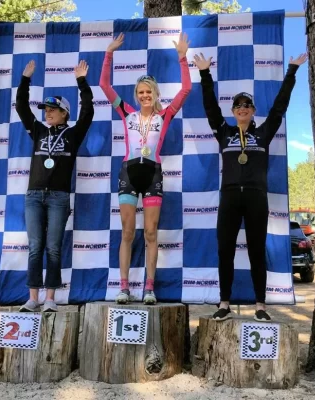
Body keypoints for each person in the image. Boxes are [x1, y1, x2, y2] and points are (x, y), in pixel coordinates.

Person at [193, 52, 308, 322]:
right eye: (238, 105)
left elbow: (279, 108)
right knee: (225, 250)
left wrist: (291, 72)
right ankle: (224, 303)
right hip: (230, 197)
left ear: (253, 111)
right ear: (233, 112)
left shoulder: (263, 133)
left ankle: (260, 305)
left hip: (256, 198)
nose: (242, 108)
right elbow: (210, 107)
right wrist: (205, 74)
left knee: (257, 250)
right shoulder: (224, 132)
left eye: (247, 105)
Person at [100, 32, 191, 305]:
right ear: (136, 95)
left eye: (148, 91)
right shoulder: (126, 112)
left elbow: (186, 89)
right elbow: (104, 85)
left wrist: (182, 58)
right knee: (127, 232)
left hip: (153, 174)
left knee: (151, 233)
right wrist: (108, 53)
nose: (144, 95)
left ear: (155, 93)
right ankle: (124, 287)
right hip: (128, 173)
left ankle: (149, 288)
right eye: (141, 92)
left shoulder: (165, 115)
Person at [16, 59, 94, 312]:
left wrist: (81, 81)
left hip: (59, 197)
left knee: (53, 248)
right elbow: (21, 107)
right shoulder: (38, 131)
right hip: (33, 196)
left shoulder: (72, 134)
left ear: (64, 113)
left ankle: (50, 298)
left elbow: (88, 111)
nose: (47, 112)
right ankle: (32, 298)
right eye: (46, 109)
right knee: (35, 247)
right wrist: (25, 80)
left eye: (53, 109)